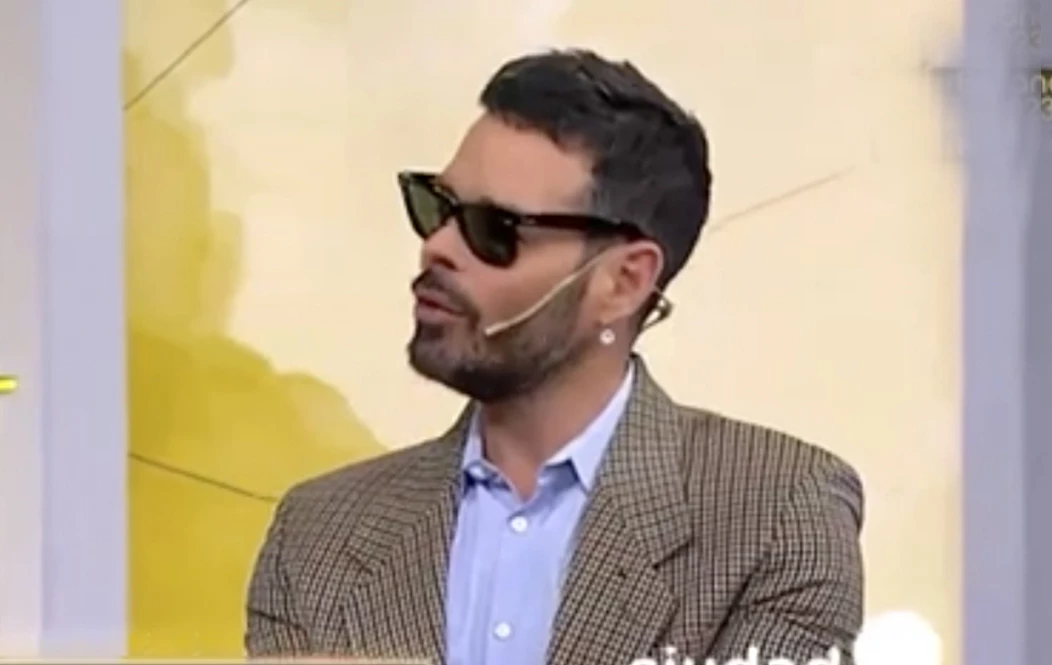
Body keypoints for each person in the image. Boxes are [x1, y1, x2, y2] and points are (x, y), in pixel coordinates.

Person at [245, 48, 864, 665]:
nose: (437, 248)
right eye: (436, 206)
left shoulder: (779, 510)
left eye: (493, 229)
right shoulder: (317, 534)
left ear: (623, 281)